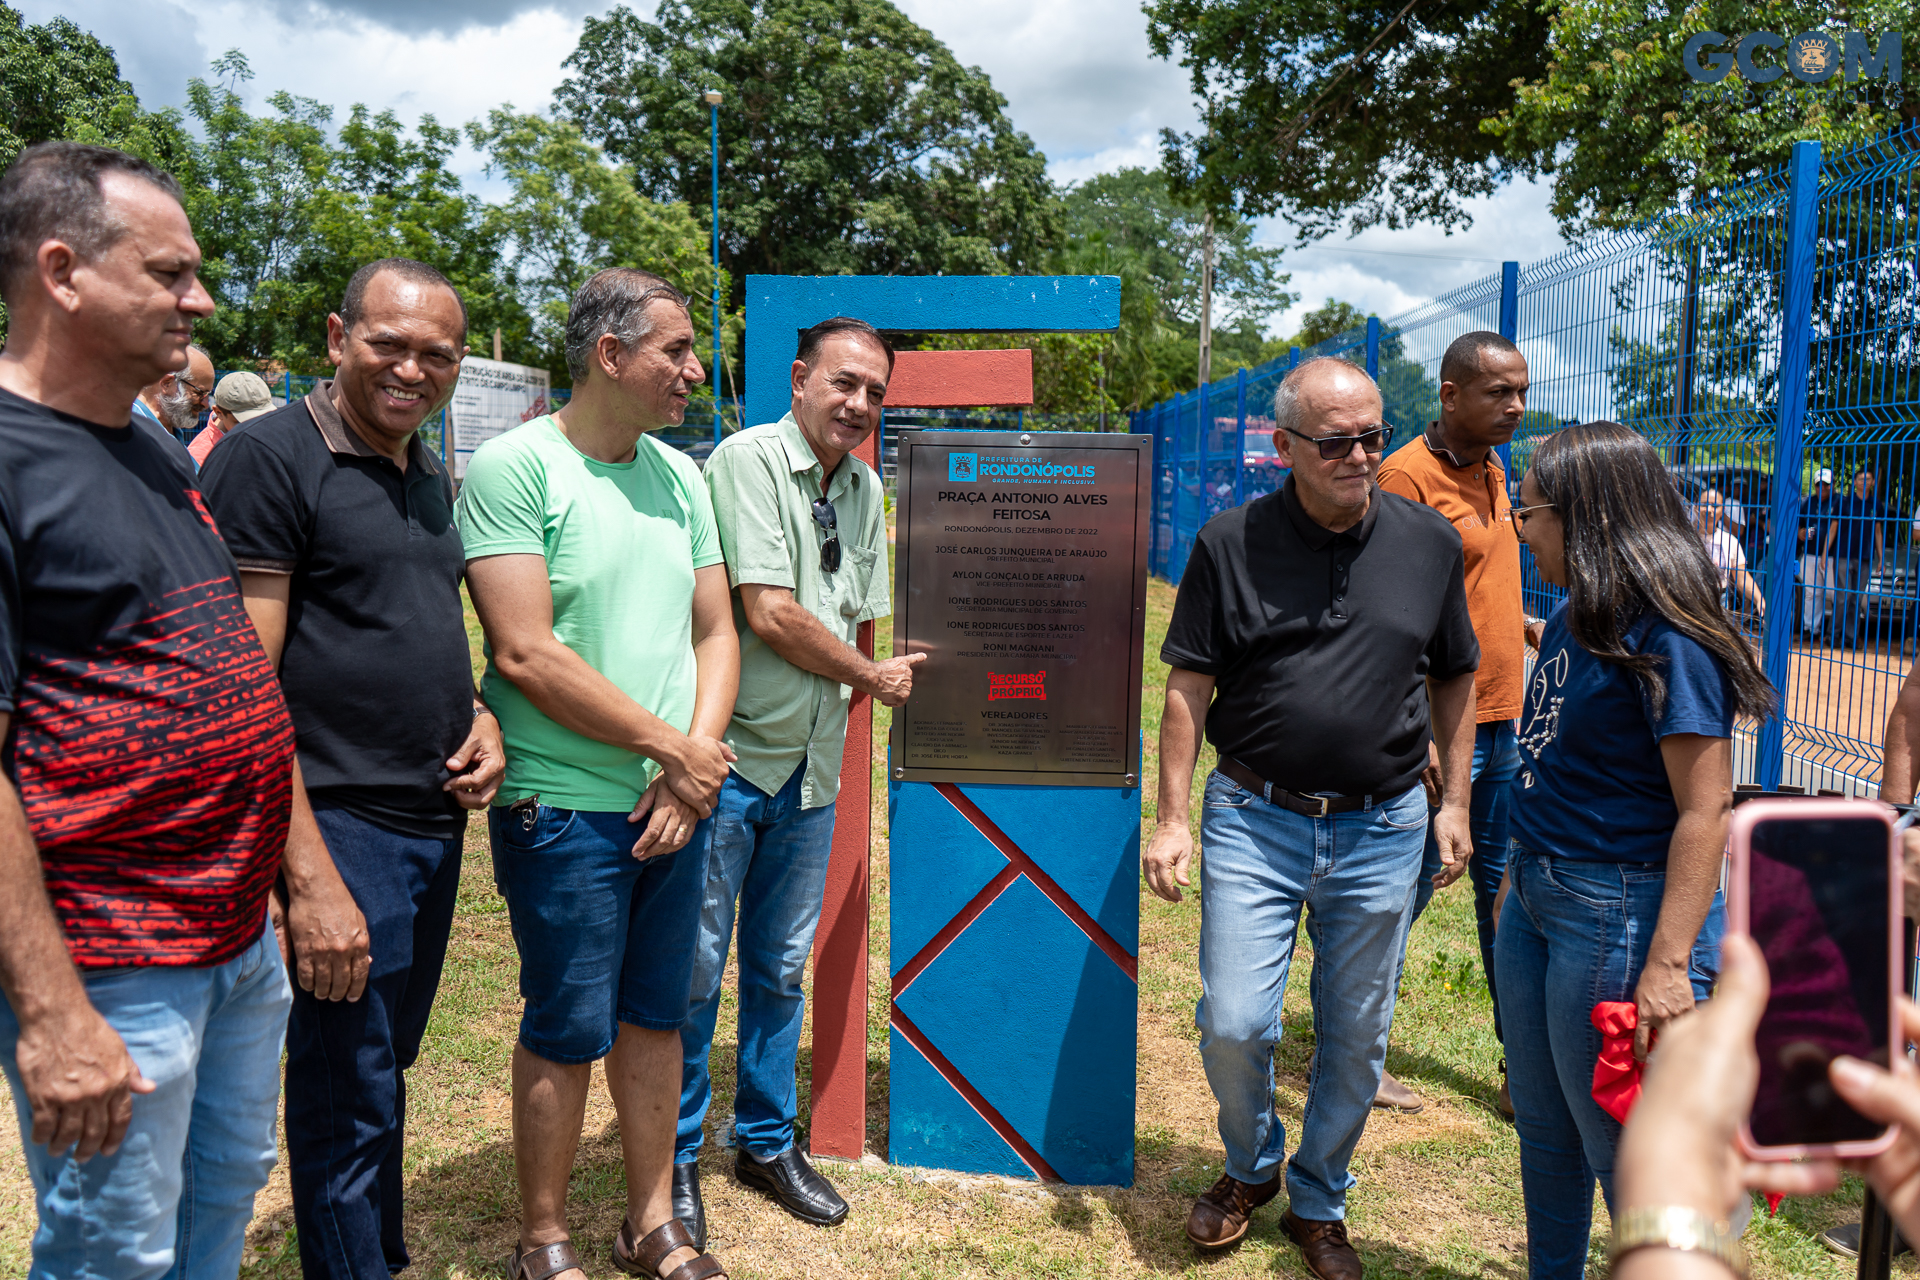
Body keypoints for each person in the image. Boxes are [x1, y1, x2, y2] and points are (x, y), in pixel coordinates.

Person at [0, 142, 305, 1277]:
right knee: (115, 1248)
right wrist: (52, 1011)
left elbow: (229, 670)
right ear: (64, 269)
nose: (202, 298)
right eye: (171, 272)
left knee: (223, 1190)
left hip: (232, 938)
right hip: (112, 960)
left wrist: (289, 877)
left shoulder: (148, 443)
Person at [199, 258, 507, 1280]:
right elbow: (242, 687)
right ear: (337, 337)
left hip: (425, 823)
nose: (412, 368)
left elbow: (400, 627)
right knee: (345, 1086)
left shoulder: (422, 466)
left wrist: (478, 715)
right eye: (389, 343)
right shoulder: (272, 459)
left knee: (381, 1067)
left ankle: (376, 1252)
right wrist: (307, 877)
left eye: (438, 354)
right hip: (337, 826)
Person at [1148, 356, 1480, 1280]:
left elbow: (1457, 671)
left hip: (1384, 827)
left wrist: (1454, 799)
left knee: (1357, 1031)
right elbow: (1187, 688)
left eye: (1373, 436)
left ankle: (1320, 1199)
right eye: (1335, 442)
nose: (1360, 456)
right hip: (1255, 818)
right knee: (1236, 1022)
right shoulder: (1229, 541)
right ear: (1283, 446)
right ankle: (1251, 1165)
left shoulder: (1428, 544)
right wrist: (1173, 818)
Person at [458, 267, 739, 1280]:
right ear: (610, 355)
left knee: (658, 1016)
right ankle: (543, 1237)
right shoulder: (513, 467)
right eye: (676, 348)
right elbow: (527, 651)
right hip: (563, 808)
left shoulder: (682, 474)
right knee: (568, 1026)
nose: (694, 369)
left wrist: (690, 771)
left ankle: (653, 1223)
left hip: (677, 804)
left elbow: (717, 630)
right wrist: (676, 749)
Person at [1499, 420, 1774, 1279]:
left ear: (1582, 517)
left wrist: (1666, 965)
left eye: (1527, 513)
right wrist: (1518, 877)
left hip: (1619, 918)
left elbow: (1706, 809)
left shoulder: (1669, 639)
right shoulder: (1582, 616)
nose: (1520, 530)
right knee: (1546, 1132)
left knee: (1627, 1150)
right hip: (1542, 898)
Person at [677, 316, 911, 1240]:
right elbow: (770, 612)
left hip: (814, 772)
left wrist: (868, 672)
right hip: (729, 761)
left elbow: (859, 617)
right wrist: (870, 679)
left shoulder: (863, 490)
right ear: (801, 378)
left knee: (778, 968)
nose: (858, 404)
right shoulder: (746, 460)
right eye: (844, 382)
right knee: (694, 970)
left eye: (874, 392)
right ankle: (678, 1153)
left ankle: (766, 1140)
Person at [1377, 329, 1531, 1118]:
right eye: (1499, 392)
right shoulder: (1405, 478)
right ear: (1449, 394)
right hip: (1440, 732)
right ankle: (1356, 1055)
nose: (1516, 406)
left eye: (1522, 392)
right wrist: (1424, 739)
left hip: (1505, 723)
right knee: (1399, 894)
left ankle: (1522, 1073)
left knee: (1504, 894)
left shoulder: (1495, 468)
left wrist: (1522, 627)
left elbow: (1476, 585)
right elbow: (1384, 621)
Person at [1826, 467, 1889, 649]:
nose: (1864, 482)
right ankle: (1832, 635)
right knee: (1842, 598)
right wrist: (1825, 553)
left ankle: (1850, 637)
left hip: (1864, 558)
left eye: (1868, 479)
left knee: (1856, 599)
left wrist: (1881, 558)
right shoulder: (1844, 502)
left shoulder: (1876, 504)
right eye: (1861, 479)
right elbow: (1833, 528)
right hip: (1843, 555)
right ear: (1855, 482)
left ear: (1873, 482)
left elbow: (1878, 532)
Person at [1693, 488, 1765, 622]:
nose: (1709, 510)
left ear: (1723, 510)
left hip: (1720, 603)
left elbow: (1742, 577)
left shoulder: (1730, 541)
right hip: (1690, 601)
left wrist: (1758, 598)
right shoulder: (1684, 537)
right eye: (1704, 504)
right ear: (1696, 507)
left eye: (1715, 506)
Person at [132, 339, 212, 445]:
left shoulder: (171, 431)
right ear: (167, 384)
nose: (205, 404)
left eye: (207, 394)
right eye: (199, 393)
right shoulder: (133, 432)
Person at [189, 369, 274, 466]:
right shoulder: (200, 457)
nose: (253, 428)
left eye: (260, 420)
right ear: (219, 412)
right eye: (242, 422)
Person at [1798, 468, 1837, 640]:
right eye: (1819, 485)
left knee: (1835, 594)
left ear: (1833, 485)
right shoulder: (1808, 503)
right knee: (1812, 593)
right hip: (1810, 554)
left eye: (1826, 485)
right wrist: (1801, 533)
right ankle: (1811, 629)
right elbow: (1799, 526)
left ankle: (1835, 632)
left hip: (1833, 556)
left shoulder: (1839, 502)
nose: (1822, 488)